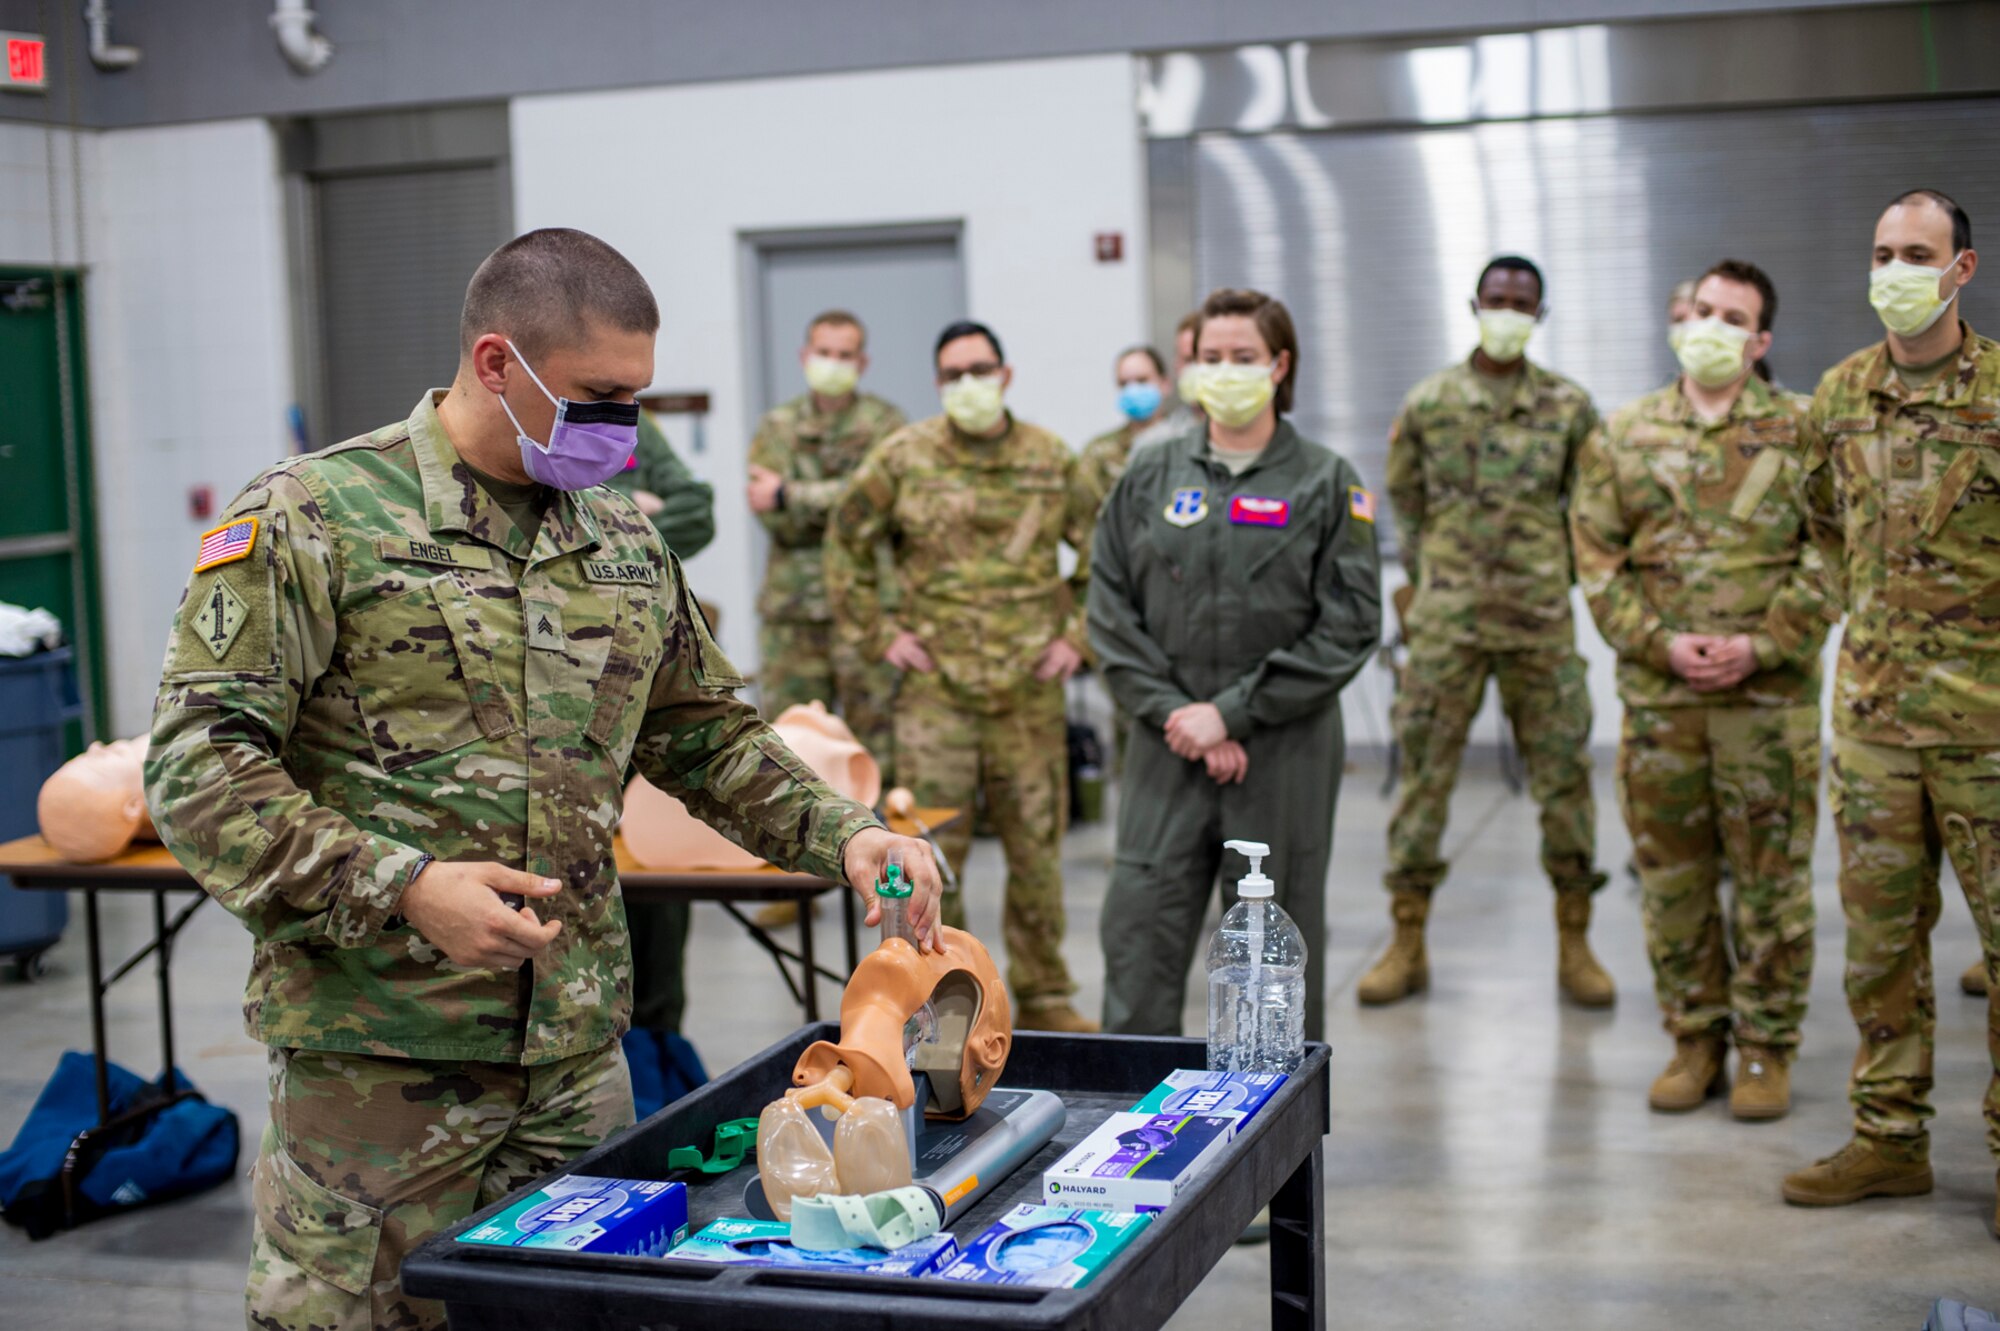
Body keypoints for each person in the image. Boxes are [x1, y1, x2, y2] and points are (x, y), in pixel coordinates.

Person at [143, 228, 943, 1331]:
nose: (622, 426)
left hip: (573, 1062)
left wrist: (845, 834)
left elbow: (702, 732)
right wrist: (401, 884)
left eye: (636, 398)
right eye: (598, 395)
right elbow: (196, 762)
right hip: (380, 1067)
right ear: (494, 363)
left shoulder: (618, 535)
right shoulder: (315, 514)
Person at [1572, 259, 1837, 1120]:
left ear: (1761, 340)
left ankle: (1765, 1048)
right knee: (1673, 879)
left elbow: (1833, 551)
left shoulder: (1805, 430)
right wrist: (1661, 642)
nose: (1712, 327)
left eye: (1734, 317)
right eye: (1703, 312)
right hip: (1663, 703)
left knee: (1770, 881)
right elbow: (1598, 560)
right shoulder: (1625, 432)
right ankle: (1695, 1039)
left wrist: (1763, 643)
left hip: (1769, 705)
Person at [1783, 189, 2000, 1228]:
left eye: (1915, 252)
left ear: (1960, 269)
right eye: (1879, 251)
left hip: (1987, 726)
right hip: (1870, 723)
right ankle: (1887, 1139)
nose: (1893, 268)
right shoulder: (1837, 394)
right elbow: (1820, 529)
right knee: (1876, 947)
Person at [1089, 287, 1381, 1040]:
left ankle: (1269, 1154)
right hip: (1165, 749)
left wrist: (1233, 711)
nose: (1224, 371)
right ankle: (1130, 1146)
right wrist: (1178, 715)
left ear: (1279, 365)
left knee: (1268, 970)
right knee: (1140, 942)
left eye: (1243, 357)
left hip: (1280, 752)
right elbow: (1110, 614)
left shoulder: (1325, 481)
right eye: (1209, 357)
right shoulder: (1148, 476)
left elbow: (1349, 625)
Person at [827, 319, 1098, 1032]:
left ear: (1006, 375)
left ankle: (1044, 993)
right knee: (930, 856)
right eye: (953, 374)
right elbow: (846, 541)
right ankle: (952, 996)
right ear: (938, 383)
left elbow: (1108, 551)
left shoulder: (1051, 458)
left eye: (980, 369)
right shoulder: (903, 457)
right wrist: (881, 632)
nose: (968, 384)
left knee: (1036, 853)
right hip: (935, 697)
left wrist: (1079, 635)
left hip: (1028, 694)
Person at [1362, 255, 1615, 1008]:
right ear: (1475, 304)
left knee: (1566, 777)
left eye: (1522, 302)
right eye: (1496, 299)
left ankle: (1577, 940)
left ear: (1539, 314)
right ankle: (1407, 939)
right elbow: (1403, 495)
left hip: (1540, 620)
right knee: (1424, 781)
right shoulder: (1432, 400)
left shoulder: (1570, 405)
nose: (1507, 310)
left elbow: (1593, 505)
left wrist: (1553, 570)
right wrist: (1436, 570)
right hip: (1448, 623)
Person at [747, 309, 906, 758]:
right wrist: (840, 502)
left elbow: (880, 507)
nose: (834, 362)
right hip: (793, 613)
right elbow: (773, 518)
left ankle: (878, 831)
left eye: (845, 354)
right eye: (824, 352)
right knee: (791, 748)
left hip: (865, 607)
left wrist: (789, 494)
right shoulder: (777, 427)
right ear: (804, 355)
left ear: (862, 362)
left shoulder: (886, 424)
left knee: (876, 746)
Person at [604, 408, 714, 1041]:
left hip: (639, 686)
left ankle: (659, 1045)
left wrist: (625, 517)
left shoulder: (624, 431)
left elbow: (697, 512)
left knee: (656, 882)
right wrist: (632, 505)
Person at [1078, 344, 1174, 509]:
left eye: (1142, 380)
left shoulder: (1188, 440)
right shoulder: (1099, 451)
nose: (1133, 390)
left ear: (1165, 384)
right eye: (1124, 384)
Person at [1134, 310, 1204, 451]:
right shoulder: (1155, 445)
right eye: (1188, 360)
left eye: (1209, 359)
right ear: (1176, 365)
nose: (1197, 368)